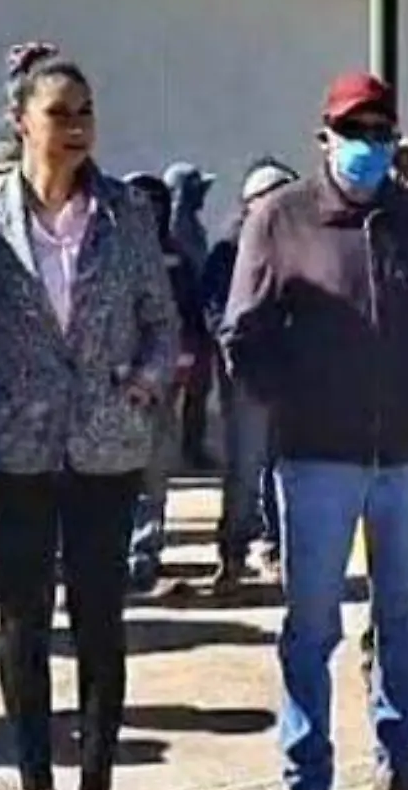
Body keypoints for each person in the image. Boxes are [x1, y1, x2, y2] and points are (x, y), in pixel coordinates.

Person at [0, 42, 179, 790]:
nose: (78, 126)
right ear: (20, 123)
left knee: (100, 624)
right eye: (60, 112)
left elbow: (163, 321)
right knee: (22, 627)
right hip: (15, 453)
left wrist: (146, 385)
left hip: (105, 451)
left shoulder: (127, 214)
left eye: (86, 111)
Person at [222, 71, 408, 790]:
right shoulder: (280, 219)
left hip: (405, 458)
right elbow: (243, 333)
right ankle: (309, 788)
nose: (368, 147)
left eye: (381, 134)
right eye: (354, 132)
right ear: (324, 137)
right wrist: (294, 404)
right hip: (318, 459)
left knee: (405, 620)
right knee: (312, 626)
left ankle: (405, 766)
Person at [202, 158, 297, 590]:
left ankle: (278, 548)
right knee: (244, 467)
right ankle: (233, 551)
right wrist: (236, 352)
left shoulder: (301, 243)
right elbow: (214, 310)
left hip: (291, 375)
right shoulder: (228, 250)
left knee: (287, 467)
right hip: (245, 375)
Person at [120, 171, 202, 597]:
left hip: (162, 384)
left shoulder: (175, 259)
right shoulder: (108, 256)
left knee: (153, 474)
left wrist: (178, 370)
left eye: (155, 206)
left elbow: (188, 318)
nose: (148, 214)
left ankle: (143, 555)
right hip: (113, 386)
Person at [165, 162, 218, 469]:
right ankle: (170, 453)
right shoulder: (173, 229)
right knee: (171, 391)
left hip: (197, 321)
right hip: (181, 324)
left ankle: (192, 448)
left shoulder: (192, 226)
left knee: (198, 391)